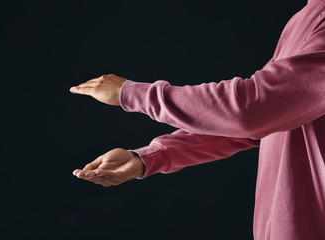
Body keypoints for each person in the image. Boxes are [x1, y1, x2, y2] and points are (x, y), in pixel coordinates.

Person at [70, 0, 325, 239]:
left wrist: (131, 93)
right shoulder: (307, 16)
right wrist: (150, 156)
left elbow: (252, 110)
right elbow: (266, 119)